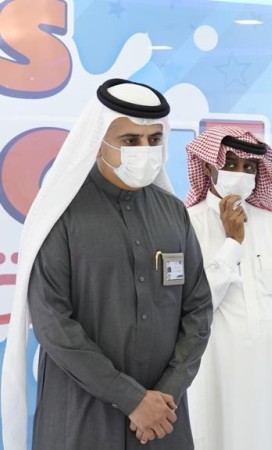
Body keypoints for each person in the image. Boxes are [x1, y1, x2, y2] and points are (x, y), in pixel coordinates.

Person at [1, 79, 213, 450]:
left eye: (153, 139)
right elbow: (53, 322)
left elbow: (198, 309)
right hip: (82, 414)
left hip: (164, 417)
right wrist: (132, 399)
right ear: (99, 140)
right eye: (130, 140)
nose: (144, 150)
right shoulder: (62, 214)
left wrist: (166, 393)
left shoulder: (173, 213)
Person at [183, 126, 272, 449]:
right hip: (212, 372)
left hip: (263, 374)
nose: (240, 173)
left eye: (249, 167)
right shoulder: (187, 222)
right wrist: (232, 243)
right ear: (209, 165)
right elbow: (194, 305)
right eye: (231, 163)